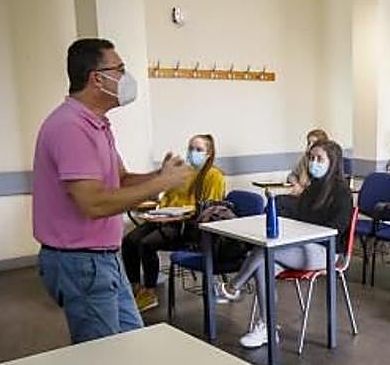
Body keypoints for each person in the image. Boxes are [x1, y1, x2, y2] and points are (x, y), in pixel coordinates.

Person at [33, 38, 195, 343]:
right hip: (81, 263)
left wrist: (159, 175)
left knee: (129, 345)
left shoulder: (96, 124)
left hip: (103, 258)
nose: (125, 77)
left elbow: (118, 179)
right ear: (97, 78)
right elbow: (93, 203)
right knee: (104, 359)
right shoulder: (71, 128)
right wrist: (161, 184)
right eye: (119, 69)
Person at [219, 140, 352, 349]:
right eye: (311, 158)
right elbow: (298, 215)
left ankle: (234, 286)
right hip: (301, 247)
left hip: (327, 252)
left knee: (265, 250)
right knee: (263, 265)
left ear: (333, 162)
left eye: (319, 159)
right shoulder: (311, 189)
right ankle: (267, 327)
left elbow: (338, 226)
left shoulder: (342, 191)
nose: (313, 162)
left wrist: (305, 229)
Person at [122, 134, 226, 312]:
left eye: (199, 150)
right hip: (164, 219)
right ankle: (135, 287)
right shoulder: (184, 173)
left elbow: (210, 209)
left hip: (186, 226)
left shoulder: (213, 176)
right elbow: (166, 197)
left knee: (147, 244)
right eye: (191, 148)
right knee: (129, 240)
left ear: (209, 154)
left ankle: (149, 291)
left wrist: (177, 215)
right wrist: (158, 210)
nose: (193, 153)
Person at [287, 128, 329, 195]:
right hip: (300, 194)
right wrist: (296, 184)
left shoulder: (324, 163)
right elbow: (292, 175)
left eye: (314, 143)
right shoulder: (305, 158)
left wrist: (302, 190)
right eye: (309, 143)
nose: (310, 146)